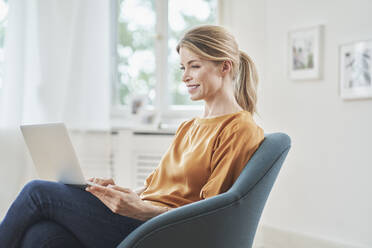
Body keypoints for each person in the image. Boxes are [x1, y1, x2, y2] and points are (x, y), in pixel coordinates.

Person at [0, 25, 264, 248]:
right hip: (142, 216)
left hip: (163, 231)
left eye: (194, 66)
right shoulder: (190, 126)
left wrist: (139, 209)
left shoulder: (240, 128)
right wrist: (115, 193)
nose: (185, 77)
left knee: (37, 192)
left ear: (224, 67)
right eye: (183, 67)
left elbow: (210, 212)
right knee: (42, 235)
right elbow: (155, 189)